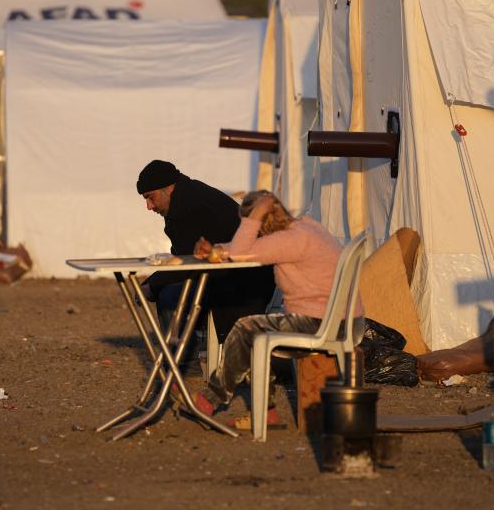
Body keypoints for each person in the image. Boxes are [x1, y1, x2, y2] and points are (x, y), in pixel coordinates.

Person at [191, 190, 342, 427]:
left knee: (246, 329)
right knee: (254, 332)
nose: (254, 233)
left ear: (261, 221)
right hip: (334, 319)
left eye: (251, 225)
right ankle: (267, 414)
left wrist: (253, 217)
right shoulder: (304, 227)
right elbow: (246, 250)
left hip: (320, 322)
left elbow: (242, 252)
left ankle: (211, 398)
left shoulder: (290, 240)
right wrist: (215, 251)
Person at [136, 160, 276, 366]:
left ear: (169, 189)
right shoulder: (184, 200)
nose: (149, 206)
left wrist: (152, 285)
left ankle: (183, 362)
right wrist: (153, 282)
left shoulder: (194, 206)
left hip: (244, 282)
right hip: (230, 275)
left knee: (169, 295)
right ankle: (185, 354)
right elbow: (184, 257)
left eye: (150, 197)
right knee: (168, 289)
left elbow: (189, 262)